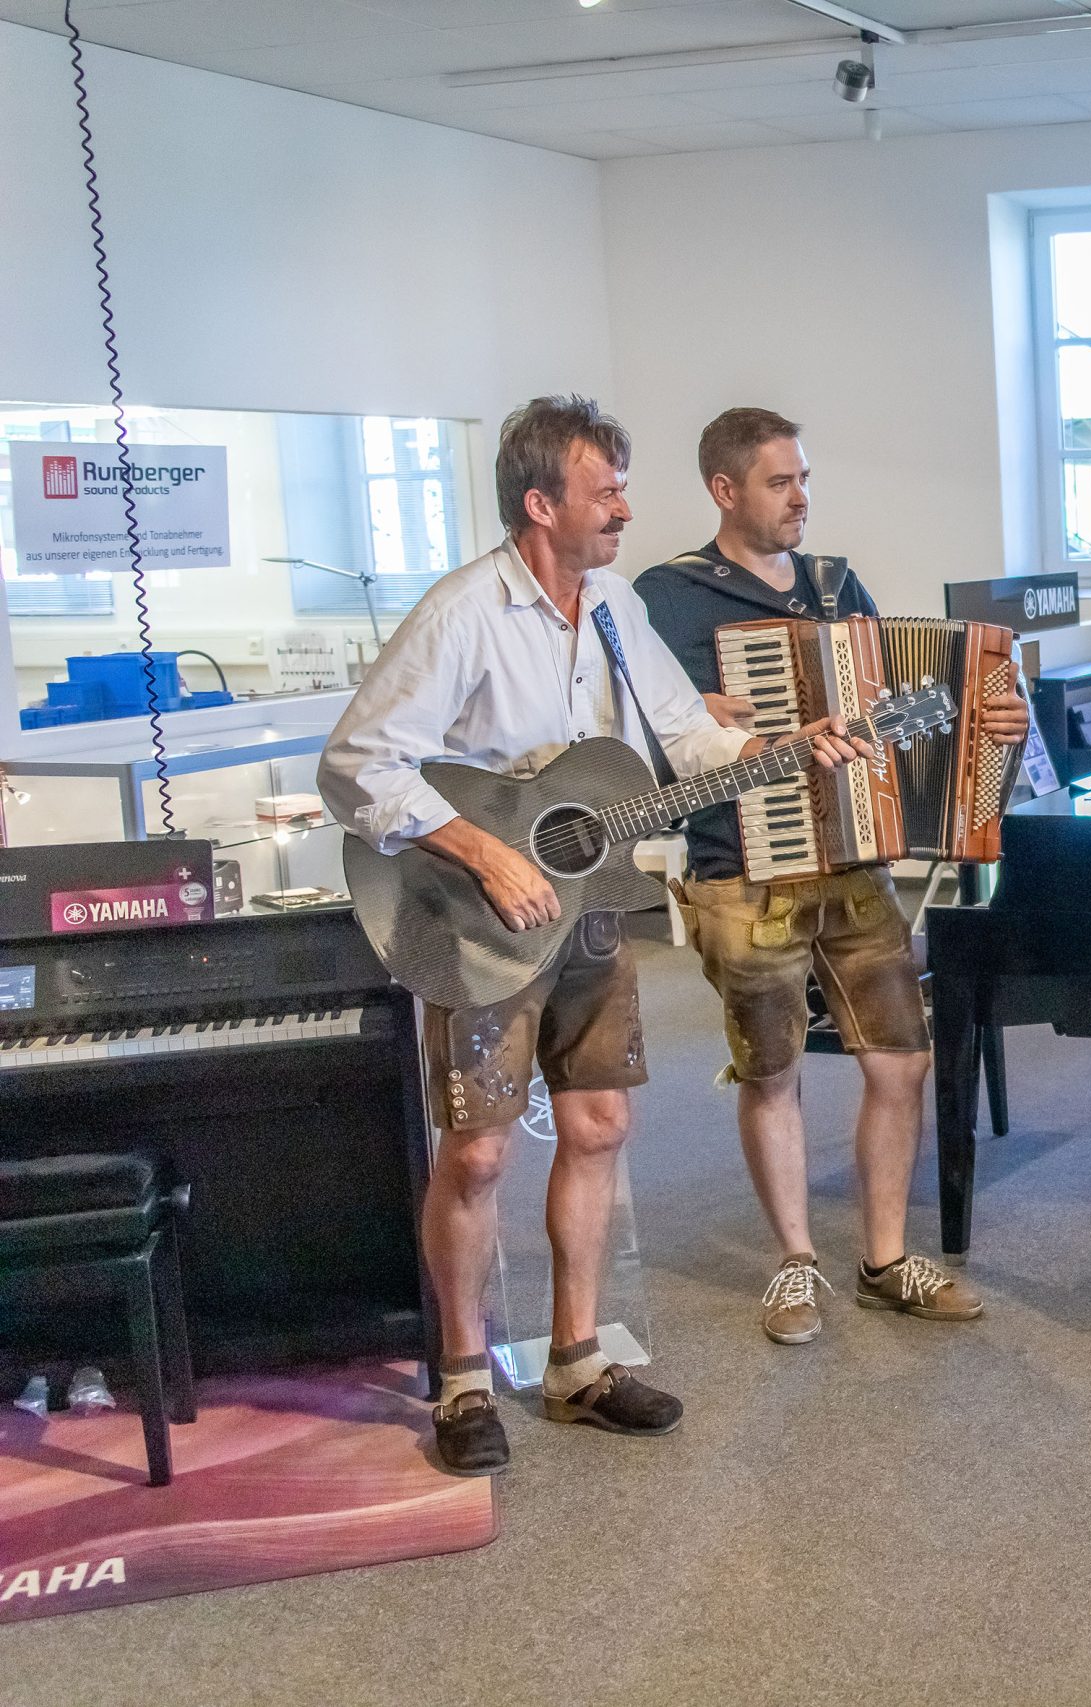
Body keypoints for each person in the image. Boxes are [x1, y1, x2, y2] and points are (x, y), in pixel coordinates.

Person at [321, 396, 859, 1476]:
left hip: (590, 902)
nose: (623, 508)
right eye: (604, 491)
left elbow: (686, 735)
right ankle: (464, 1380)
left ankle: (577, 1363)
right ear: (540, 504)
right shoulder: (463, 613)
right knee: (478, 1150)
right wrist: (485, 853)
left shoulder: (613, 603)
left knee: (602, 1126)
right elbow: (357, 765)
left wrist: (780, 747)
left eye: (621, 488)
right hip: (472, 915)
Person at [634, 408, 1029, 1346]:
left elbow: (894, 710)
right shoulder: (667, 598)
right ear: (724, 489)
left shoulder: (833, 585)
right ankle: (795, 1261)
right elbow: (646, 734)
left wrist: (987, 719)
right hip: (743, 869)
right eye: (780, 482)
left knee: (900, 1058)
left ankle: (885, 1260)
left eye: (804, 478)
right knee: (771, 1070)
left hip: (852, 858)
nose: (800, 497)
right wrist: (708, 715)